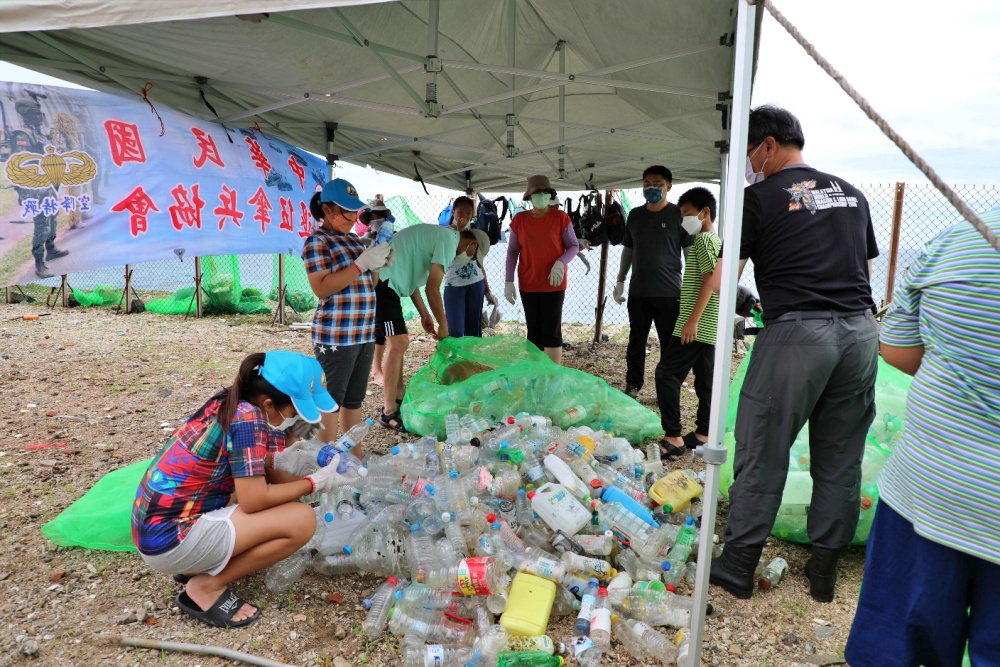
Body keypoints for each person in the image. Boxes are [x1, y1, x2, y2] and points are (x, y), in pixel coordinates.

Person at [710, 105, 880, 602]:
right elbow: (864, 276)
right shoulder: (852, 194)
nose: (747, 163)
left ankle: (739, 564)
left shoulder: (757, 198)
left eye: (748, 152)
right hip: (860, 333)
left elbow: (724, 280)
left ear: (767, 146)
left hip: (798, 335)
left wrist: (725, 308)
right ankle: (823, 570)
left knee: (763, 445)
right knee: (840, 454)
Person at [844, 213, 1000, 666]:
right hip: (937, 495)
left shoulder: (958, 237)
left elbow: (898, 350)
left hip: (931, 491)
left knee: (903, 645)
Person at [131, 351, 358, 628]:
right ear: (270, 404)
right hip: (171, 539)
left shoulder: (235, 401)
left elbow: (277, 478)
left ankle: (196, 563)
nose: (300, 417)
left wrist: (293, 448)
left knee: (275, 499)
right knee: (302, 520)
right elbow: (255, 500)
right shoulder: (248, 419)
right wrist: (316, 482)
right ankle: (207, 586)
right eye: (296, 409)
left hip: (155, 529)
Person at [303, 179, 392, 452]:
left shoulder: (354, 240)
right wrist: (360, 263)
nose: (354, 219)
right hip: (336, 336)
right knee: (330, 402)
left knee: (353, 402)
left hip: (364, 332)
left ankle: (354, 459)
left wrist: (378, 263)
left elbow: (371, 284)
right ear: (327, 210)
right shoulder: (317, 242)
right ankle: (325, 461)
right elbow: (321, 288)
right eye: (346, 212)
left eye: (356, 213)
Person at [376, 224, 478, 431]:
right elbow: (433, 287)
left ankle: (398, 395)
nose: (470, 257)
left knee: (399, 344)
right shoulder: (449, 242)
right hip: (383, 283)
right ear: (472, 244)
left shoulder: (442, 237)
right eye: (474, 254)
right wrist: (444, 325)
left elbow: (412, 281)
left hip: (390, 284)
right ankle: (388, 412)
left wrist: (424, 314)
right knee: (398, 343)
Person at [613, 165, 693, 398]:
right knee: (636, 341)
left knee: (669, 343)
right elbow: (628, 249)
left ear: (669, 186)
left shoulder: (680, 214)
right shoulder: (635, 215)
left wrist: (691, 289)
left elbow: (690, 255)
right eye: (647, 184)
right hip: (639, 291)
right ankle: (633, 384)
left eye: (657, 184)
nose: (651, 188)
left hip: (670, 293)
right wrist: (620, 280)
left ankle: (667, 388)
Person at [655, 187, 721, 459]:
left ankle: (674, 438)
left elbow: (709, 280)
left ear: (705, 213)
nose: (684, 221)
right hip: (711, 325)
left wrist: (691, 321)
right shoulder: (716, 241)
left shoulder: (704, 241)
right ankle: (704, 433)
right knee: (705, 379)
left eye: (687, 214)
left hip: (698, 323)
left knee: (666, 374)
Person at [504, 175, 579, 364]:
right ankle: (535, 375)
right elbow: (513, 251)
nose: (542, 196)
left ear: (551, 195)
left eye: (545, 192)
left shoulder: (560, 218)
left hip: (554, 283)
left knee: (551, 331)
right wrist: (508, 281)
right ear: (529, 197)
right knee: (534, 331)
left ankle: (553, 374)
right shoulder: (519, 220)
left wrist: (561, 262)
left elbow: (573, 246)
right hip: (528, 283)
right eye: (537, 193)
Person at [444, 196, 496, 337]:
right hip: (454, 285)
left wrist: (487, 290)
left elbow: (479, 263)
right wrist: (459, 231)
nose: (464, 216)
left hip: (475, 284)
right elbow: (447, 258)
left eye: (468, 213)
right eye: (460, 212)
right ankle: (457, 359)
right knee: (456, 331)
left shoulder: (474, 234)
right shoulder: (445, 233)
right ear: (453, 212)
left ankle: (471, 359)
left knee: (473, 331)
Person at [358, 198, 392, 388]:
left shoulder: (390, 236)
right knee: (377, 328)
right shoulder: (363, 239)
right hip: (369, 286)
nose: (376, 220)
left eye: (380, 216)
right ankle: (376, 370)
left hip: (387, 284)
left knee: (383, 328)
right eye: (373, 216)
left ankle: (378, 369)